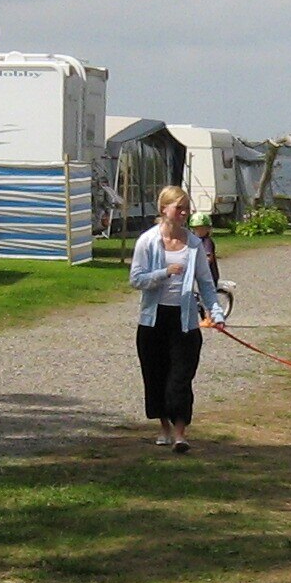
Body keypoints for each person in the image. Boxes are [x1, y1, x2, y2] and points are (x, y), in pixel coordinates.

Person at [130, 186, 222, 454]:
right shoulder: (147, 242)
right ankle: (164, 428)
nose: (183, 213)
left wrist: (215, 313)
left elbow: (206, 284)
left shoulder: (194, 245)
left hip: (184, 321)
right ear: (163, 209)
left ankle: (181, 434)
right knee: (156, 375)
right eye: (178, 208)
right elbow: (136, 279)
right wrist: (163, 273)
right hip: (153, 319)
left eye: (186, 208)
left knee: (181, 377)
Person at [189, 210, 221, 284]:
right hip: (199, 274)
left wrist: (199, 266)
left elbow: (208, 258)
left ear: (208, 229)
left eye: (202, 228)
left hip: (209, 275)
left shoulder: (207, 241)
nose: (199, 231)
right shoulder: (194, 241)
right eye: (196, 229)